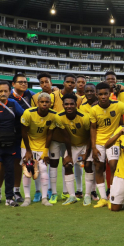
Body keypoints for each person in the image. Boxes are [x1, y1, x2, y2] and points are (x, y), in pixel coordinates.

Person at [0, 74, 34, 203]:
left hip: (19, 136)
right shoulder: (6, 97)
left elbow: (40, 97)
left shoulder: (30, 94)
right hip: (2, 137)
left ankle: (15, 192)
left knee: (17, 163)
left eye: (25, 82)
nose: (23, 84)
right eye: (20, 82)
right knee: (1, 163)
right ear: (13, 84)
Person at [20, 92, 69, 207]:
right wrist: (28, 151)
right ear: (37, 103)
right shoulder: (28, 113)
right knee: (27, 170)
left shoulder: (53, 115)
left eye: (47, 102)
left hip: (42, 145)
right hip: (28, 145)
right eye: (42, 102)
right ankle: (27, 198)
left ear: (50, 104)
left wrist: (46, 151)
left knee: (43, 170)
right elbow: (23, 131)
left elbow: (49, 134)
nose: (44, 104)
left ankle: (44, 198)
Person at [89, 82, 124, 208]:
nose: (103, 96)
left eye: (105, 94)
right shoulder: (94, 109)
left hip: (113, 140)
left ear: (109, 94)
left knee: (113, 166)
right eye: (100, 94)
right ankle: (102, 198)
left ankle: (112, 196)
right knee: (98, 167)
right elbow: (93, 128)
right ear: (97, 95)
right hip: (99, 142)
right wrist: (94, 147)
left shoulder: (118, 105)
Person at [48, 74, 83, 204]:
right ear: (63, 82)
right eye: (67, 82)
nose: (70, 84)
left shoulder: (79, 99)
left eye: (72, 82)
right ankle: (53, 193)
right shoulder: (53, 96)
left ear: (75, 84)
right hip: (56, 137)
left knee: (67, 164)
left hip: (71, 139)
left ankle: (66, 192)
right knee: (53, 164)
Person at [57, 94, 92, 205]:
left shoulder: (84, 117)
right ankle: (72, 196)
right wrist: (69, 155)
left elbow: (90, 135)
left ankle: (87, 195)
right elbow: (66, 137)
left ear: (76, 105)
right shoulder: (59, 116)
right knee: (67, 165)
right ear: (63, 105)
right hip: (72, 145)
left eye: (72, 104)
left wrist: (87, 152)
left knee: (88, 165)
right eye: (66, 104)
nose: (69, 106)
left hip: (85, 144)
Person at [78, 83, 99, 200]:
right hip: (87, 139)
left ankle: (94, 191)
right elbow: (88, 126)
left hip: (101, 138)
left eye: (92, 91)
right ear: (84, 93)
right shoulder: (83, 107)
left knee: (98, 166)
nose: (90, 93)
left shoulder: (102, 103)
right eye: (87, 91)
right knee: (87, 165)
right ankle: (90, 191)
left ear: (96, 92)